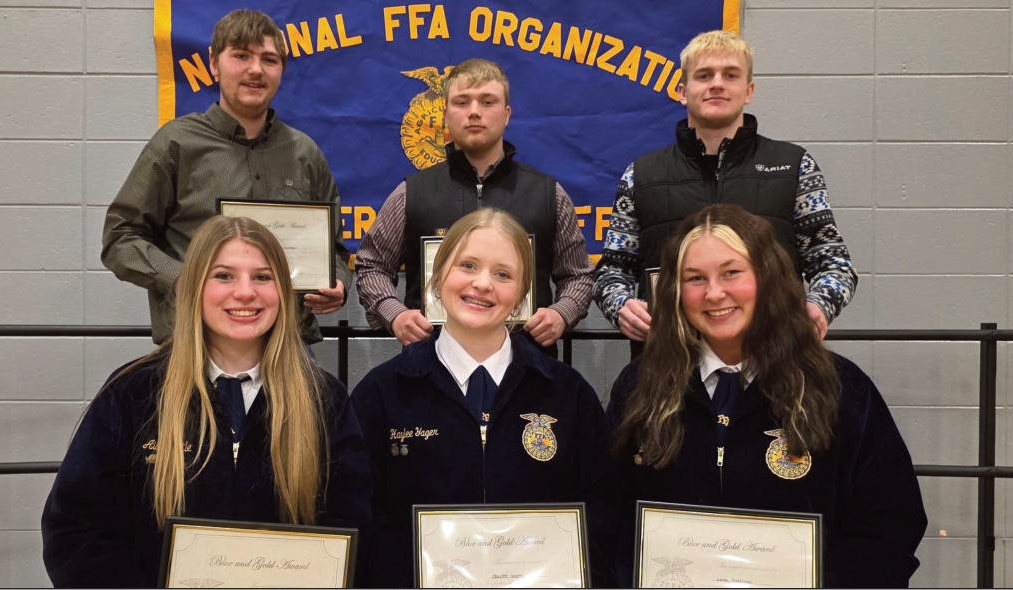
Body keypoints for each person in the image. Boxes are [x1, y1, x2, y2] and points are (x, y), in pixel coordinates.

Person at [42, 216, 371, 587]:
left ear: (282, 291)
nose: (245, 292)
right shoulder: (132, 394)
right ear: (192, 287)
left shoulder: (323, 398)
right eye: (224, 276)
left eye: (262, 277)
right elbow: (78, 532)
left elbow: (351, 527)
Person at [607, 204, 925, 588]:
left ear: (767, 276)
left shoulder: (840, 388)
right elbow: (611, 515)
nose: (714, 293)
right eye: (694, 278)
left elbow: (889, 522)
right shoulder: (640, 386)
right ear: (675, 290)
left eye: (731, 273)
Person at [351, 209, 615, 587]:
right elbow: (362, 515)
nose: (483, 284)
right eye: (468, 266)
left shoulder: (567, 394)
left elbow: (601, 510)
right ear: (438, 276)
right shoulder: (381, 393)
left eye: (503, 274)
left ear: (522, 294)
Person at [593, 30, 857, 349]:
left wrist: (816, 307)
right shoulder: (641, 175)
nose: (717, 83)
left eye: (730, 75)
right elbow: (611, 271)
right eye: (704, 75)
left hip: (774, 362)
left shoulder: (795, 166)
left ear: (748, 90)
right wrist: (621, 306)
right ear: (682, 91)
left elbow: (833, 264)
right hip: (669, 366)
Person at [102, 8, 349, 346]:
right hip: (195, 343)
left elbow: (334, 250)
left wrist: (339, 284)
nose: (255, 70)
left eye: (269, 59)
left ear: (281, 70)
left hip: (287, 346)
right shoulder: (177, 143)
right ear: (214, 63)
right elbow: (120, 237)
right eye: (241, 55)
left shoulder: (304, 153)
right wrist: (180, 277)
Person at [355, 58, 593, 356]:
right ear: (445, 114)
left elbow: (579, 275)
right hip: (431, 366)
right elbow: (372, 264)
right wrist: (394, 314)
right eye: (462, 102)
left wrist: (562, 313)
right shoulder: (410, 193)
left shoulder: (549, 194)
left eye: (487, 101)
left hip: (526, 365)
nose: (474, 112)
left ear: (507, 115)